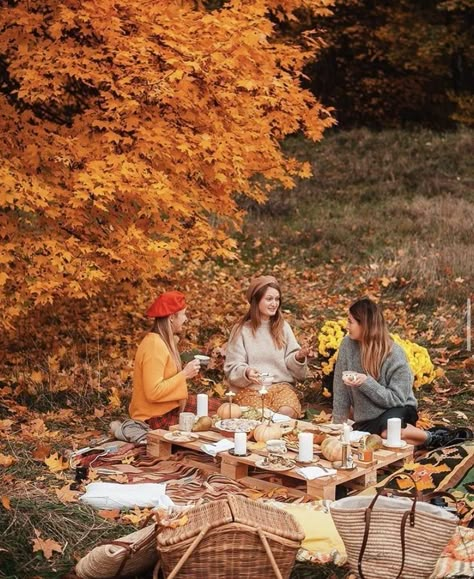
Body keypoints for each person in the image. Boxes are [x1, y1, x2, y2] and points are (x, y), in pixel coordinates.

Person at [332, 297, 470, 449]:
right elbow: (340, 390)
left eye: (350, 322)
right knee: (366, 441)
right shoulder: (347, 345)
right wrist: (337, 428)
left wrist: (366, 382)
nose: (346, 326)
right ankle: (416, 443)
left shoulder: (394, 354)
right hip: (367, 417)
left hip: (397, 409)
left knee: (388, 433)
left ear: (365, 325)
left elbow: (397, 399)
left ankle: (435, 437)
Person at [129, 290, 220, 429]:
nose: (186, 319)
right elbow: (153, 393)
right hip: (155, 417)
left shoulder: (164, 340)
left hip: (171, 405)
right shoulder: (154, 345)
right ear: (172, 317)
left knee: (222, 409)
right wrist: (184, 374)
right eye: (183, 314)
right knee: (213, 422)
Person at [224, 275, 312, 418]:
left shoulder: (283, 327)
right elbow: (232, 366)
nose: (274, 304)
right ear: (256, 300)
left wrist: (298, 356)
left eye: (277, 299)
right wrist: (246, 372)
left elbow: (295, 368)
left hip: (280, 387)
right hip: (250, 389)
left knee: (286, 413)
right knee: (259, 416)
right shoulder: (241, 330)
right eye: (269, 299)